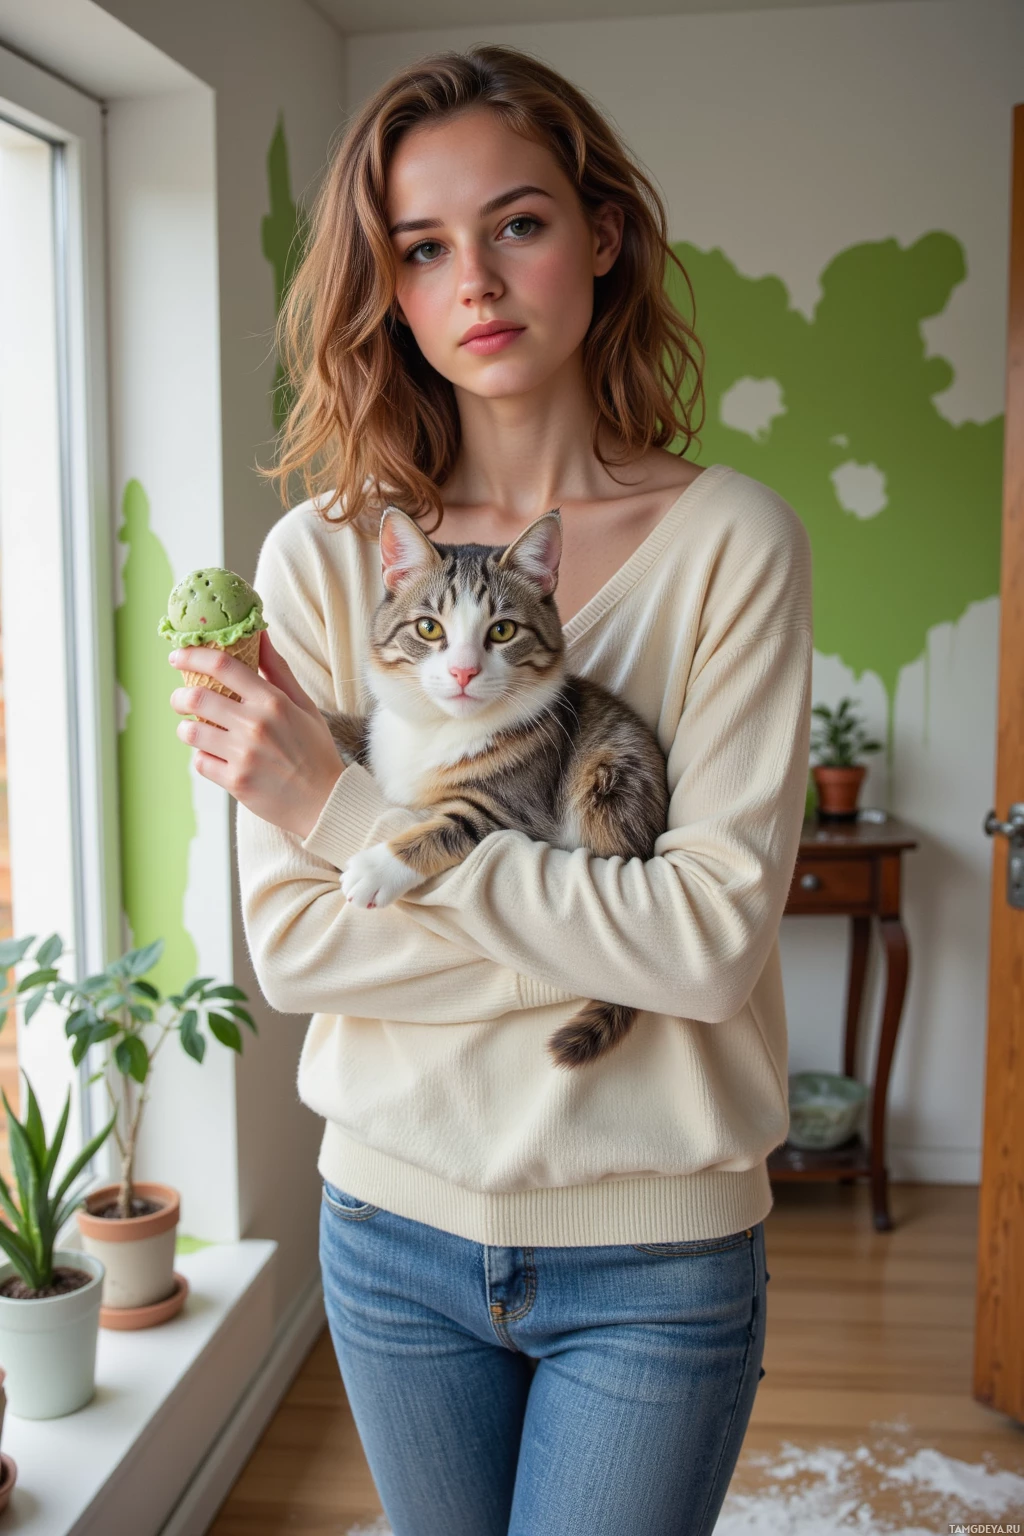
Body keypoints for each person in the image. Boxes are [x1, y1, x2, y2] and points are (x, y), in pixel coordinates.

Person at [168, 44, 812, 1536]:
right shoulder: (326, 564)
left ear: (600, 234)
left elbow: (713, 952)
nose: (478, 280)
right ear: (384, 286)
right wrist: (606, 932)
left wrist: (346, 815)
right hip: (387, 1233)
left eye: (516, 223)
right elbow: (305, 955)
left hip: (656, 1257)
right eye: (422, 247)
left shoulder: (733, 545)